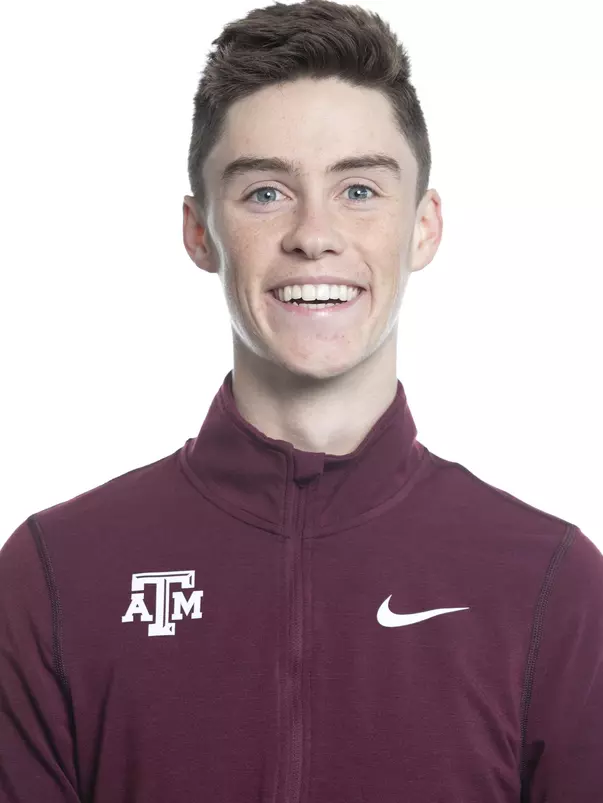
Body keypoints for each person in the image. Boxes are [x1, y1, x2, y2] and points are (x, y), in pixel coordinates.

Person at [1, 0, 602, 800]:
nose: (313, 234)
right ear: (199, 230)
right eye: (264, 193)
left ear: (422, 227)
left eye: (358, 190)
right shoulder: (56, 576)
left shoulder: (549, 584)